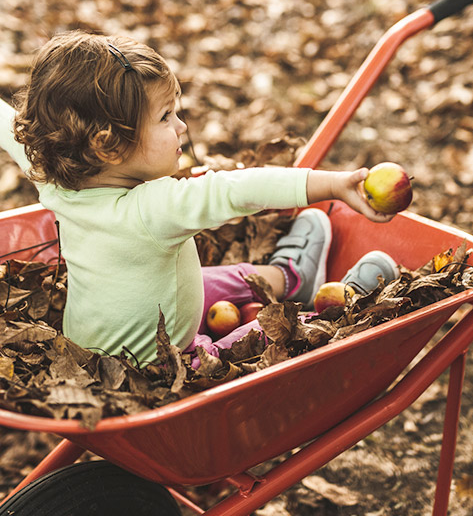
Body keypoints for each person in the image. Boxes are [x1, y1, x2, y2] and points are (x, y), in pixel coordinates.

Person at [0, 30, 399, 366]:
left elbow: (7, 125)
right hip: (165, 366)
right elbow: (236, 191)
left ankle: (290, 277)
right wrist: (332, 185)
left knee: (209, 281)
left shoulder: (53, 177)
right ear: (108, 146)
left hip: (86, 354)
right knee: (267, 334)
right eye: (165, 117)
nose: (182, 125)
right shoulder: (152, 210)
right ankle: (341, 305)